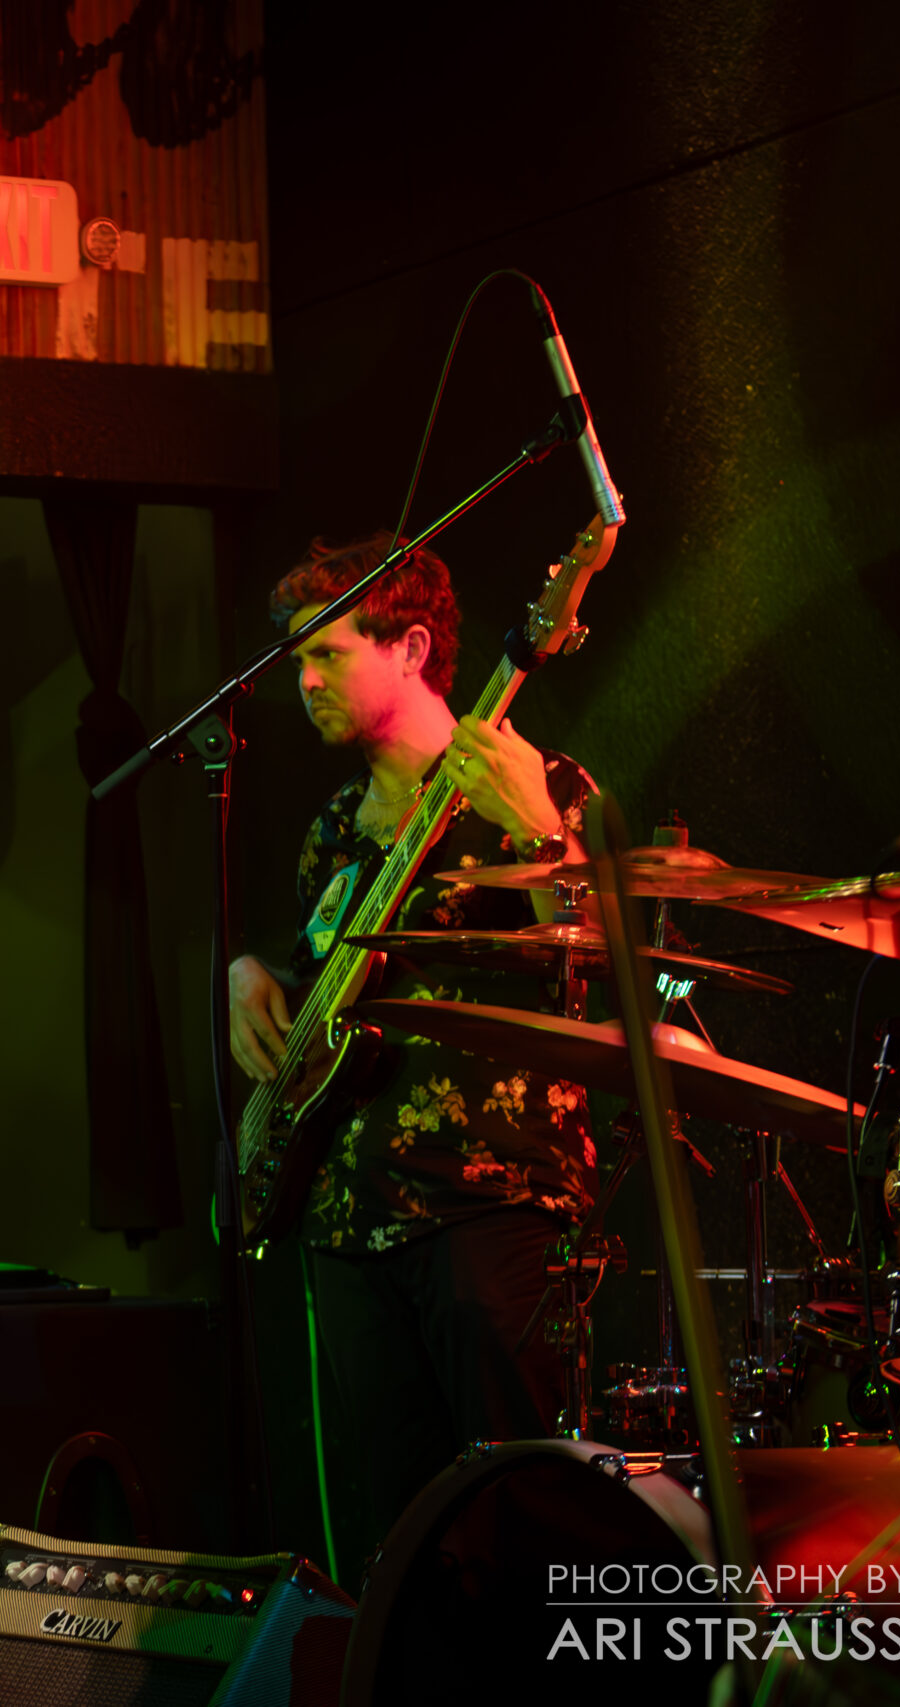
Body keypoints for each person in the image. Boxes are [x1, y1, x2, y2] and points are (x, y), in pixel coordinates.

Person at [226, 532, 600, 1564]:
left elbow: (609, 970)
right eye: (297, 659)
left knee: (524, 1526)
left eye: (326, 652)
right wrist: (250, 974)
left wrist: (542, 840)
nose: (303, 680)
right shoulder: (333, 828)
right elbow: (328, 997)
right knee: (400, 1542)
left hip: (491, 1205)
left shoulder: (545, 781)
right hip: (347, 1215)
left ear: (410, 647)